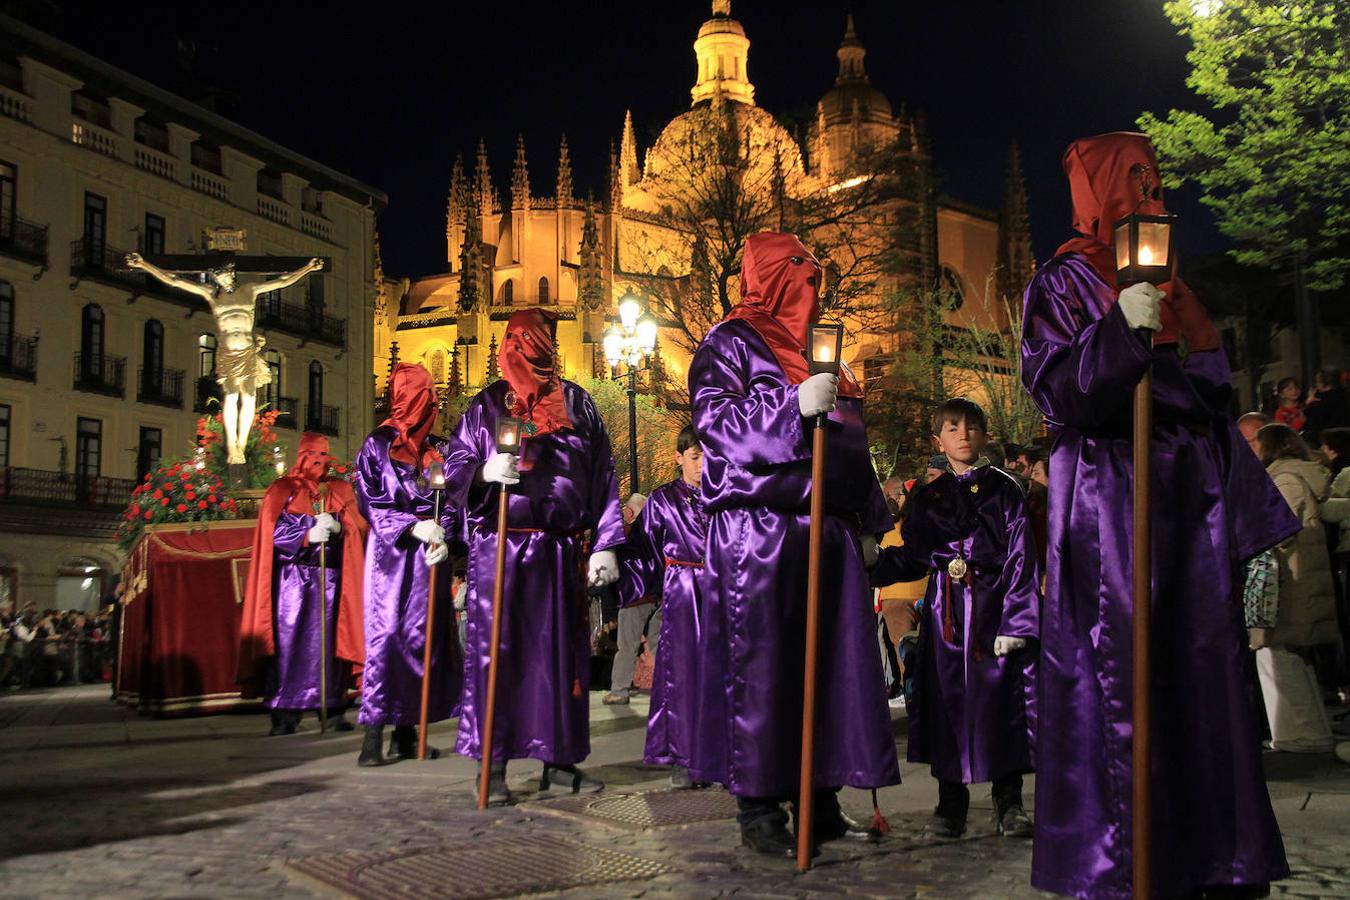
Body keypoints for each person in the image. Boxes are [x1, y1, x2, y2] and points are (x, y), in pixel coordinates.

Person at [1020, 132, 1301, 899]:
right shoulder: (1063, 280)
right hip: (1115, 494)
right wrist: (1118, 335)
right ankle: (1127, 858)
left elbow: (1213, 394)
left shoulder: (1178, 285)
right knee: (1124, 670)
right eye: (1135, 179)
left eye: (1157, 178)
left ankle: (1217, 856)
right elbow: (1055, 389)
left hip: (1189, 497)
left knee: (1201, 673)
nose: (1153, 194)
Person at [688, 231, 899, 858]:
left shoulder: (827, 351)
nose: (814, 283)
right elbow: (716, 424)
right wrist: (787, 410)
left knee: (829, 665)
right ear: (776, 275)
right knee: (765, 667)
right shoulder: (729, 343)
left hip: (827, 530)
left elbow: (852, 444)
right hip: (763, 531)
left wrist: (866, 520)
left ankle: (822, 798)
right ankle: (758, 806)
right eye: (801, 271)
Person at [443, 308, 625, 804]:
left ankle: (559, 760)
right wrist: (482, 474)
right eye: (518, 343)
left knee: (560, 657)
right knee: (496, 655)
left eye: (537, 341)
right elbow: (454, 465)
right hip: (499, 548)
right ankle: (495, 764)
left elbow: (603, 472)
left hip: (559, 552)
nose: (527, 352)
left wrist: (606, 540)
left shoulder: (579, 405)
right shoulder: (484, 407)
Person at [871, 398, 1040, 839]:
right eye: (951, 427)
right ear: (937, 439)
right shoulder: (928, 498)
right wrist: (871, 562)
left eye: (970, 426)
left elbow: (1022, 557)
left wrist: (1017, 622)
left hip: (993, 607)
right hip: (946, 610)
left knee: (1003, 703)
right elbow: (914, 556)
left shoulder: (1006, 490)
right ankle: (951, 804)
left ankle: (1010, 801)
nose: (962, 434)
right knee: (947, 702)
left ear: (984, 435)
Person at [354, 363, 463, 766]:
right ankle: (371, 740)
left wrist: (444, 536)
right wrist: (410, 527)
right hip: (392, 561)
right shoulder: (378, 445)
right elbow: (370, 500)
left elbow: (448, 501)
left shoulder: (435, 451)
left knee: (422, 641)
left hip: (427, 563)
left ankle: (405, 732)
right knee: (388, 639)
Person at [239, 433, 368, 735]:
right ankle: (285, 712)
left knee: (332, 646)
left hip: (333, 581)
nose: (319, 461)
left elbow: (359, 527)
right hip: (293, 583)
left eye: (324, 454)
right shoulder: (281, 490)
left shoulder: (339, 489)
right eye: (313, 455)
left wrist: (341, 527)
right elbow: (271, 534)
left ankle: (333, 708)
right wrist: (307, 533)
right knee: (290, 645)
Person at [615, 426, 707, 788]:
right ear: (679, 458)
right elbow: (642, 552)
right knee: (681, 676)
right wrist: (613, 557)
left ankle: (720, 755)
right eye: (695, 457)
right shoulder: (663, 500)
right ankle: (682, 758)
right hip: (683, 593)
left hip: (722, 591)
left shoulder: (727, 494)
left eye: (707, 457)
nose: (702, 466)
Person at [1250, 423, 1339, 752]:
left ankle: (1299, 734)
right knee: (1291, 657)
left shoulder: (1283, 479)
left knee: (1277, 656)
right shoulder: (1300, 475)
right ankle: (1309, 730)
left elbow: (1279, 530)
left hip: (1287, 581)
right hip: (1299, 577)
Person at [605, 493, 656, 706]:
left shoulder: (628, 532)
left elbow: (610, 541)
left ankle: (619, 689)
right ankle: (670, 686)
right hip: (657, 592)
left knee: (626, 645)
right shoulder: (654, 530)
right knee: (658, 643)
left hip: (635, 594)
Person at [1304, 369, 1350, 444]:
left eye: (1317, 382)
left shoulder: (1322, 400)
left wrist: (1308, 404)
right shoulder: (1343, 396)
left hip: (1328, 440)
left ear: (1322, 383)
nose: (1316, 385)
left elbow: (1314, 422)